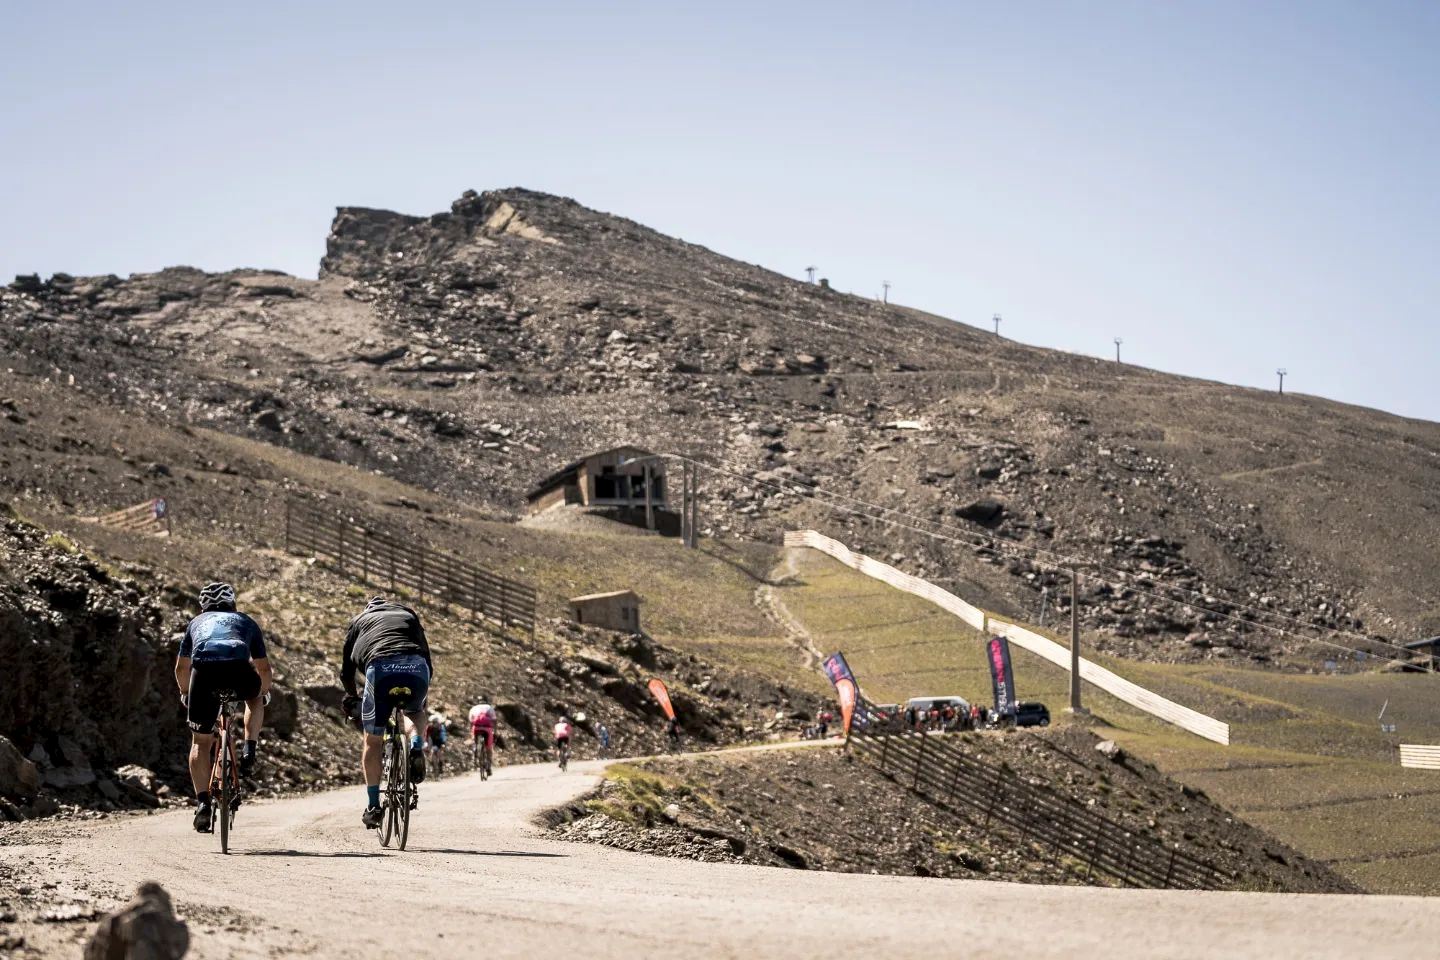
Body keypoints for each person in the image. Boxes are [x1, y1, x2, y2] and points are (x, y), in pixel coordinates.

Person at [174, 582, 272, 833]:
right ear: (233, 603)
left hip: (204, 676)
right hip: (239, 670)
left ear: (203, 606)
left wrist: (186, 693)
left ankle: (203, 803)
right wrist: (263, 692)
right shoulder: (246, 621)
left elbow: (181, 669)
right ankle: (249, 749)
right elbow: (263, 669)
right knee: (255, 698)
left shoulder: (196, 623)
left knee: (200, 742)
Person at [339, 596, 434, 830]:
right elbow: (427, 659)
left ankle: (373, 807)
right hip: (417, 667)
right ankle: (415, 744)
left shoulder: (359, 620)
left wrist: (353, 696)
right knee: (415, 711)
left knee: (372, 742)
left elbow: (346, 672)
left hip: (380, 668)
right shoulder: (409, 615)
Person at [469, 697, 496, 771]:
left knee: (475, 742)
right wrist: (495, 730)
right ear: (486, 701)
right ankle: (489, 765)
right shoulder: (489, 707)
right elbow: (494, 719)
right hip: (487, 729)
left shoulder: (473, 708)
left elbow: (471, 721)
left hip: (476, 728)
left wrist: (471, 731)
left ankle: (475, 753)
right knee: (489, 748)